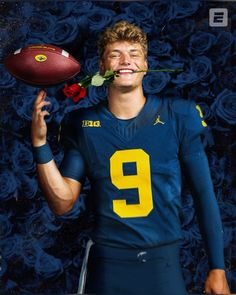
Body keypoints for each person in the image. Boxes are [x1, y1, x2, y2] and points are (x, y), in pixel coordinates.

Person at [31, 21, 230, 294]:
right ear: (102, 67)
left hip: (163, 266)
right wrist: (40, 143)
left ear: (146, 64)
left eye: (134, 54)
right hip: (107, 267)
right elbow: (62, 203)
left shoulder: (178, 116)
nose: (126, 60)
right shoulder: (83, 123)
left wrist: (217, 267)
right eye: (115, 54)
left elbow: (204, 195)